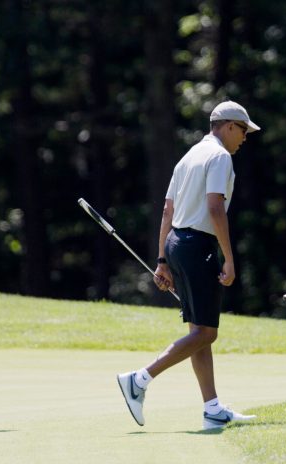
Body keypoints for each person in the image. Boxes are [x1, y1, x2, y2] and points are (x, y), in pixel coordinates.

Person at [116, 101, 261, 429]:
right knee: (206, 332)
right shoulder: (220, 156)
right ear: (227, 127)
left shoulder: (189, 156)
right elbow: (215, 209)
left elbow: (167, 211)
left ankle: (212, 408)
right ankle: (138, 380)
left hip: (177, 243)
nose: (244, 138)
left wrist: (163, 259)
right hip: (198, 246)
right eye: (242, 130)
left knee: (199, 331)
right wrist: (229, 258)